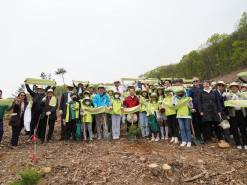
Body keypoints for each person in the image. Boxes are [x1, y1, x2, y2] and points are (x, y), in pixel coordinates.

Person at [225, 82, 247, 149]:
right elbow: (227, 105)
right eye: (232, 87)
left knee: (243, 129)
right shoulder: (228, 95)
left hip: (241, 113)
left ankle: (245, 143)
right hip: (233, 114)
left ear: (238, 88)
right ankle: (238, 143)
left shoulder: (242, 95)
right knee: (235, 129)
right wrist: (232, 100)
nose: (234, 88)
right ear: (231, 88)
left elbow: (245, 103)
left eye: (235, 87)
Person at [189, 77, 203, 142]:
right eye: (194, 81)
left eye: (196, 81)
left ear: (199, 81)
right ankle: (198, 137)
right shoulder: (191, 90)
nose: (195, 82)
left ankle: (205, 136)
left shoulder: (202, 88)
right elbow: (189, 100)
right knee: (196, 123)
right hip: (195, 108)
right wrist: (191, 108)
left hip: (202, 108)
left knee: (202, 122)